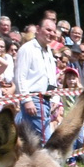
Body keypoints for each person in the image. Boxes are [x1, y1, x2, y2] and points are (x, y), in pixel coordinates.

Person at [13, 13, 59, 142]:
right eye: (48, 30)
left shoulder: (48, 51)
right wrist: (26, 100)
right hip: (35, 99)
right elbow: (19, 77)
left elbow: (51, 76)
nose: (51, 34)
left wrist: (55, 97)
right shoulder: (27, 49)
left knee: (34, 139)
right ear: (38, 29)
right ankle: (48, 162)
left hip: (46, 99)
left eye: (54, 31)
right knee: (45, 138)